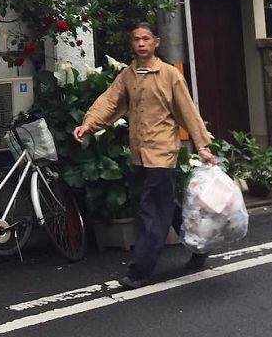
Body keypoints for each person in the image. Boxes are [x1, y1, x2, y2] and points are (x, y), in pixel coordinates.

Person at [73, 21, 217, 289]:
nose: (141, 44)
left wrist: (202, 146)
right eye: (136, 39)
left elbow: (187, 110)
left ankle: (140, 271)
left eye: (146, 39)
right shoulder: (129, 75)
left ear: (156, 43)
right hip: (141, 154)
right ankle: (200, 246)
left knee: (152, 211)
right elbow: (109, 101)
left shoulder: (170, 75)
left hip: (162, 153)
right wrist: (88, 124)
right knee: (167, 207)